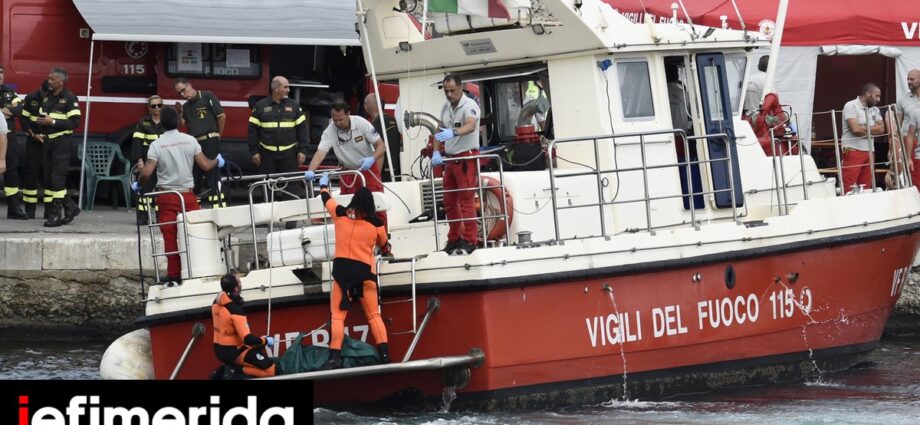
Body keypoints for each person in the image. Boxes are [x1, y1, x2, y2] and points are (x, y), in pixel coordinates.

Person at [136, 106, 223, 285]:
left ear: (162, 124)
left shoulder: (156, 145)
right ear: (178, 122)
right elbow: (206, 166)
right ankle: (196, 272)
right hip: (187, 196)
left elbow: (147, 173)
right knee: (194, 233)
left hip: (166, 195)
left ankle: (174, 275)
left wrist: (139, 180)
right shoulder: (190, 140)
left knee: (170, 236)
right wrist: (218, 161)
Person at [315, 172, 390, 369]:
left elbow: (326, 199)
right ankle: (384, 354)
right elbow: (384, 244)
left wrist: (323, 185)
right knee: (374, 316)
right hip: (365, 274)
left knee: (337, 317)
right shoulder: (376, 224)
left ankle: (334, 358)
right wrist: (385, 249)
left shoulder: (340, 214)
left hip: (342, 275)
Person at [305, 100, 388, 228]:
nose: (338, 123)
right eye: (335, 120)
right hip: (347, 173)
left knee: (376, 204)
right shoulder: (330, 131)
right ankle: (353, 234)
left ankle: (382, 236)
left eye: (341, 119)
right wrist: (311, 170)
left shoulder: (361, 123)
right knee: (348, 207)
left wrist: (372, 159)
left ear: (348, 113)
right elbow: (320, 153)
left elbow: (381, 146)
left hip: (368, 170)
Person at [431, 74, 481, 255]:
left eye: (452, 90)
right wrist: (436, 151)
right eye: (446, 91)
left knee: (466, 200)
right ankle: (454, 238)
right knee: (449, 202)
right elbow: (438, 129)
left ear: (461, 88)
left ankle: (470, 239)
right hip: (451, 159)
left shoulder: (469, 106)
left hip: (466, 158)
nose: (449, 94)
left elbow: (470, 125)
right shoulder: (446, 106)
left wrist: (454, 132)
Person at [37, 67, 81, 227]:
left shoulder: (70, 98)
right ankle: (70, 207)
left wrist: (53, 122)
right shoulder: (48, 97)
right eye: (48, 78)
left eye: (52, 79)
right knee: (48, 179)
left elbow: (75, 122)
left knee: (57, 179)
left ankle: (56, 215)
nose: (49, 81)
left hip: (62, 142)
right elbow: (43, 117)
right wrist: (40, 127)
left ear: (61, 81)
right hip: (47, 142)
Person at [211, 273, 278, 378]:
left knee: (257, 348)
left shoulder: (215, 303)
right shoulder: (235, 311)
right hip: (234, 353)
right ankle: (237, 370)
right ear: (236, 288)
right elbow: (247, 339)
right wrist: (265, 340)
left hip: (219, 350)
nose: (241, 284)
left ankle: (231, 367)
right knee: (271, 370)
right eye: (239, 282)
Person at [174, 77, 226, 208]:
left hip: (210, 140)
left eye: (183, 90)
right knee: (195, 176)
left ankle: (219, 207)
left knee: (212, 175)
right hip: (194, 144)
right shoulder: (186, 107)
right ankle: (195, 209)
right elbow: (181, 124)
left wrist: (218, 136)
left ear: (189, 85)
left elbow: (221, 117)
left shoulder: (207, 96)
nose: (183, 94)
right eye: (180, 93)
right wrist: (179, 112)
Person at [841, 83, 884, 193]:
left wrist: (863, 127)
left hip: (870, 151)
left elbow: (882, 129)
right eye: (877, 96)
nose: (879, 99)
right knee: (849, 187)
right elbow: (855, 130)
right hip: (853, 150)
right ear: (868, 94)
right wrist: (872, 129)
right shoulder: (850, 105)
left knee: (867, 188)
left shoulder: (875, 109)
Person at [18, 81, 51, 219]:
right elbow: (23, 119)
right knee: (31, 174)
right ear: (40, 89)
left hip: (50, 141)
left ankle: (49, 211)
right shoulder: (31, 98)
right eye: (44, 93)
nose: (46, 96)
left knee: (49, 175)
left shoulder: (55, 99)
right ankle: (30, 210)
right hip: (34, 141)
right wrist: (33, 134)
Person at [131, 95, 165, 225]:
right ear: (148, 108)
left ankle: (161, 218)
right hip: (148, 160)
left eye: (159, 105)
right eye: (153, 106)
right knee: (145, 189)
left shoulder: (167, 122)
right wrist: (139, 160)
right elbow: (137, 142)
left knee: (162, 190)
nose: (157, 108)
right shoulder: (143, 122)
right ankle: (142, 218)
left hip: (164, 161)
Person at [1, 64, 27, 219]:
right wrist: (4, 112)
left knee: (11, 170)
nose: (0, 76)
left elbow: (20, 108)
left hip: (9, 136)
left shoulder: (10, 92)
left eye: (1, 73)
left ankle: (14, 209)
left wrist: (7, 111)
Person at [363, 93, 401, 182]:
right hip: (397, 168)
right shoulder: (392, 120)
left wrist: (376, 178)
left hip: (383, 172)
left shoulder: (375, 125)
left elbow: (379, 151)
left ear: (366, 108)